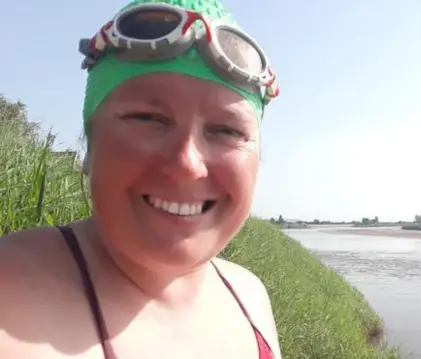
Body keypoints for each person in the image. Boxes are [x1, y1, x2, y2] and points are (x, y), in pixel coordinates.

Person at [0, 0, 282, 358]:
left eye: (226, 130)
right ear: (89, 144)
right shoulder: (10, 296)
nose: (187, 164)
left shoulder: (249, 295)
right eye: (148, 119)